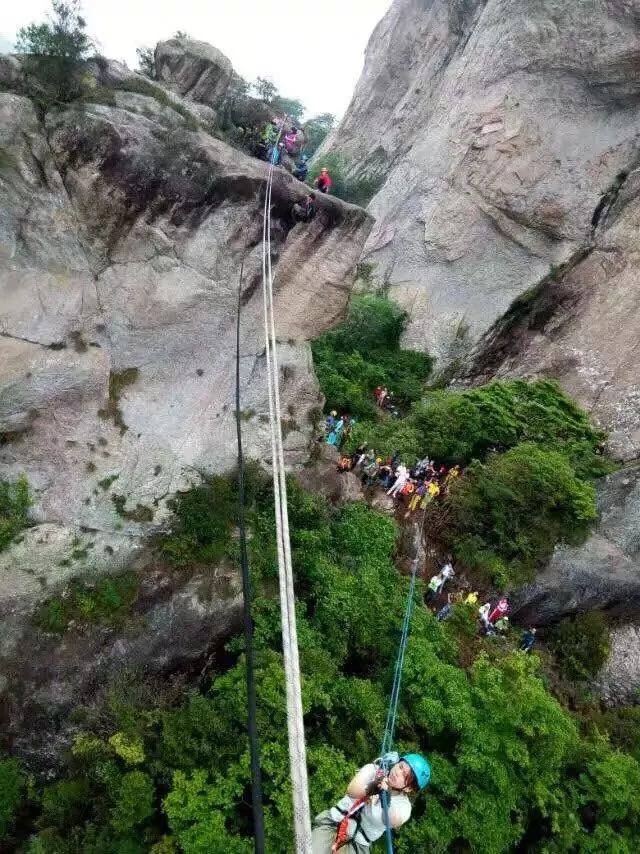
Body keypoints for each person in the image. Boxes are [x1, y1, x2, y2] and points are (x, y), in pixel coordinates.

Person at [312, 754, 430, 853]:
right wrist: (372, 786)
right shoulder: (373, 770)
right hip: (335, 821)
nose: (398, 773)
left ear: (408, 788)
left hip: (357, 845)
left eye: (405, 776)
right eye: (400, 767)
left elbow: (390, 820)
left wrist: (386, 798)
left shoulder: (404, 807)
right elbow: (352, 791)